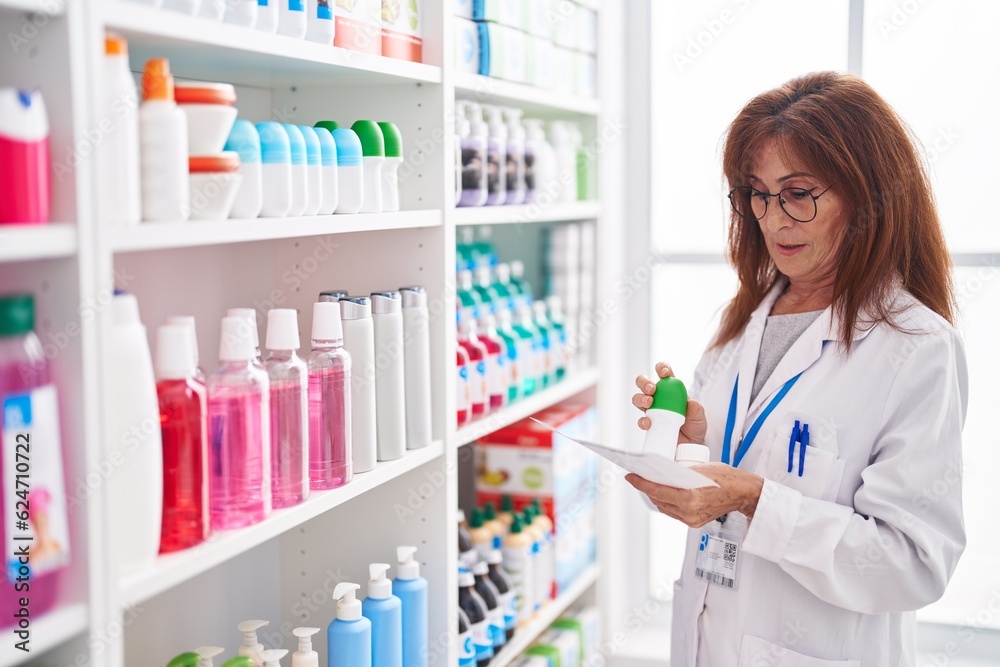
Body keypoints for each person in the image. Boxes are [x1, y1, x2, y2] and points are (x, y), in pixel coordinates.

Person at [629, 72, 967, 666]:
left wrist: (758, 500)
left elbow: (913, 564)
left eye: (799, 192)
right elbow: (722, 478)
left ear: (870, 196)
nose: (773, 219)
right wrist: (686, 446)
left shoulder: (915, 347)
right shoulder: (740, 324)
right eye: (757, 193)